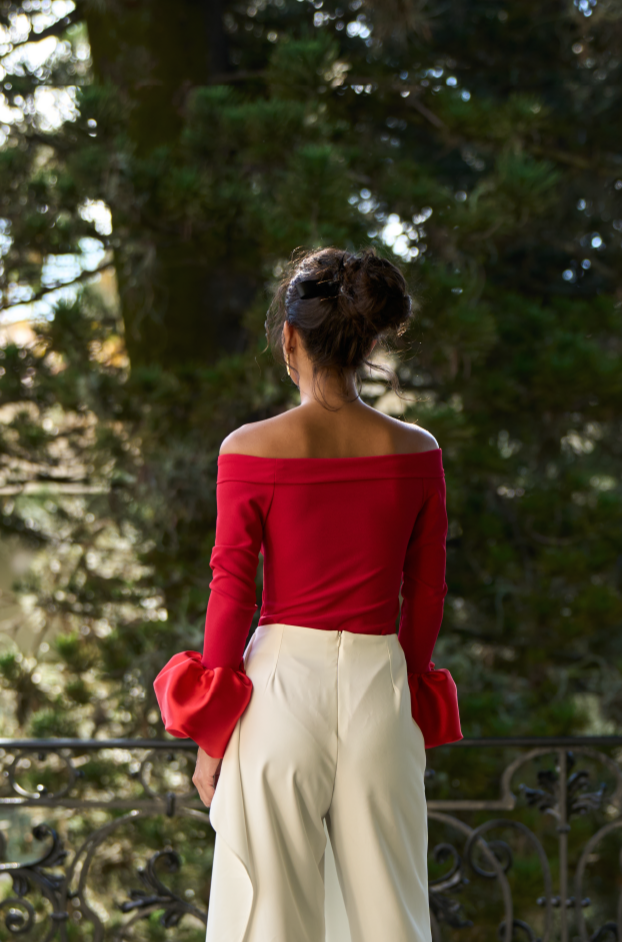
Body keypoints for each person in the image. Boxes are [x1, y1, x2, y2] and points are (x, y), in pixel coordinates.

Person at [153, 247, 463, 942]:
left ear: (289, 338)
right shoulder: (416, 451)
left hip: (278, 690)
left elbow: (230, 588)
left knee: (268, 916)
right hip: (377, 684)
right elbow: (427, 591)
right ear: (368, 341)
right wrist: (406, 690)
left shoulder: (248, 449)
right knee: (391, 918)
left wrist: (211, 734)